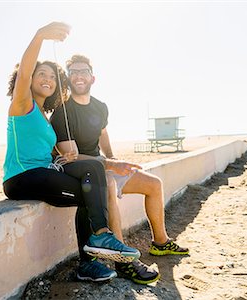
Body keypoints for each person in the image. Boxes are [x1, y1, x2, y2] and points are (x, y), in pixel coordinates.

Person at [2, 22, 140, 283]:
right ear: (29, 78)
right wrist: (40, 35)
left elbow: (50, 153)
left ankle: (95, 248)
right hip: (22, 177)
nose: (48, 79)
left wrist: (66, 158)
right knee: (91, 195)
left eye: (53, 77)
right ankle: (94, 250)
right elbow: (24, 72)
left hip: (45, 171)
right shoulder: (21, 104)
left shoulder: (45, 116)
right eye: (41, 74)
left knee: (94, 170)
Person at [50, 54, 189, 285]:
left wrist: (112, 156)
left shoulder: (100, 107)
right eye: (73, 72)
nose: (78, 76)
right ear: (68, 79)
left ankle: (161, 243)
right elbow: (71, 157)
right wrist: (111, 164)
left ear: (92, 78)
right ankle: (124, 263)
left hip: (104, 164)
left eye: (83, 71)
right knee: (110, 184)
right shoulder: (62, 113)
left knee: (154, 184)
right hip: (86, 171)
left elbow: (102, 132)